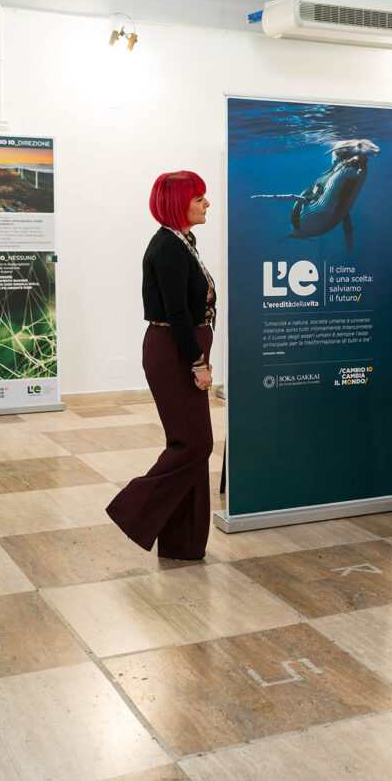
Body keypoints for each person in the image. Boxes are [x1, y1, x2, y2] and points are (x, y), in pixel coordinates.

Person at [106, 171, 216, 560]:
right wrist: (197, 362)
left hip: (180, 347)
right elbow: (177, 312)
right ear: (178, 203)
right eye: (199, 198)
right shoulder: (168, 246)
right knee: (194, 444)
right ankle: (131, 509)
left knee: (193, 445)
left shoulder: (183, 241)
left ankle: (183, 543)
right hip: (174, 349)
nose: (206, 204)